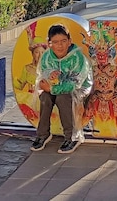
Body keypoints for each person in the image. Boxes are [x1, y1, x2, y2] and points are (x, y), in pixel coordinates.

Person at [30, 24, 93, 155]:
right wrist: (48, 78)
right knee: (45, 97)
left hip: (79, 89)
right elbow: (42, 74)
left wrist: (52, 89)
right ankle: (43, 134)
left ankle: (72, 136)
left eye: (64, 41)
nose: (60, 45)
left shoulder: (78, 58)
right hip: (55, 87)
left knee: (63, 98)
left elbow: (75, 84)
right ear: (49, 43)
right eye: (55, 42)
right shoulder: (47, 56)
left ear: (70, 41)